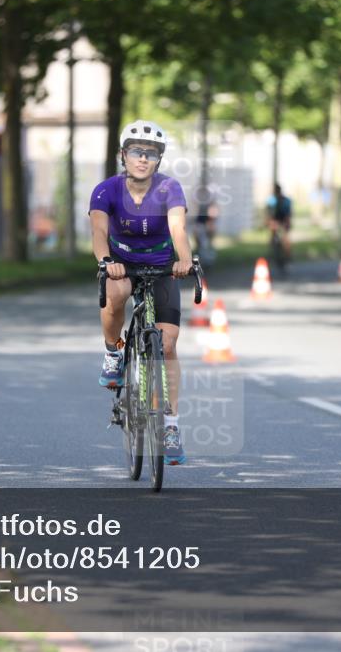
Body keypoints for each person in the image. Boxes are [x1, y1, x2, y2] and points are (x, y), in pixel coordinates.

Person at [88, 120, 194, 466]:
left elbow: (178, 227)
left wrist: (184, 259)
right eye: (137, 152)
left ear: (158, 160)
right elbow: (99, 232)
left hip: (162, 266)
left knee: (167, 343)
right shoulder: (106, 190)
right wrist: (106, 261)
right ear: (124, 155)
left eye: (151, 154)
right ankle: (113, 352)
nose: (143, 159)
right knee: (115, 292)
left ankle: (171, 426)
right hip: (122, 263)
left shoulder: (169, 189)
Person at [266, 184, 292, 259]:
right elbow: (289, 213)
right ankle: (285, 253)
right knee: (280, 235)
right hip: (279, 219)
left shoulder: (272, 200)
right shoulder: (285, 200)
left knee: (283, 236)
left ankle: (286, 254)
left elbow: (268, 212)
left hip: (280, 219)